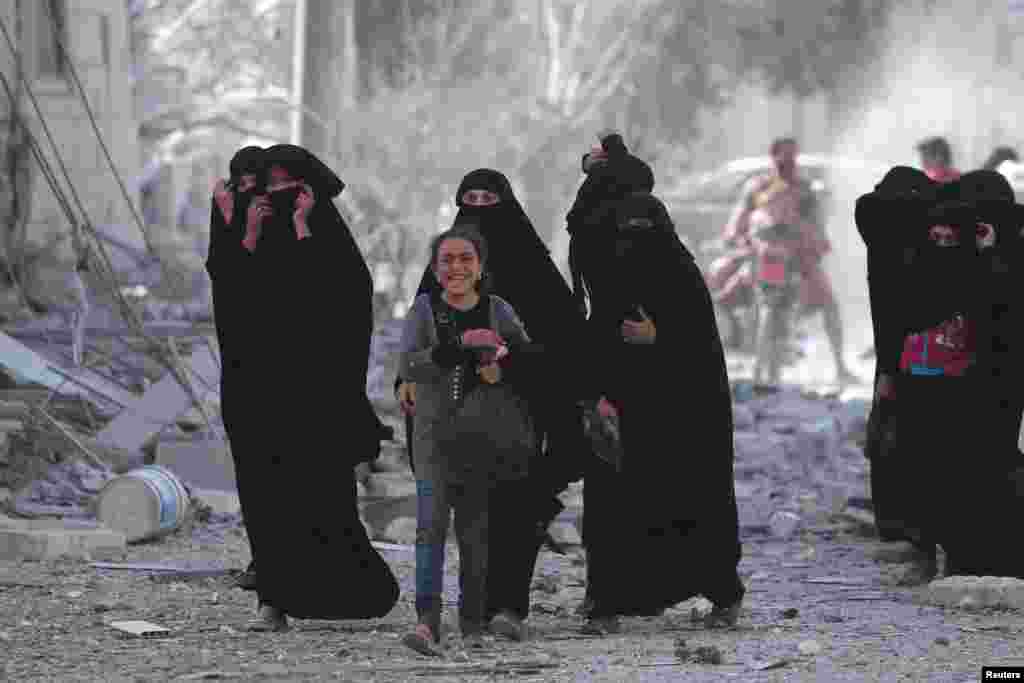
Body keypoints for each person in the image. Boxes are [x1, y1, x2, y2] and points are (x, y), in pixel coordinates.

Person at [207, 144, 399, 631]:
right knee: (265, 497)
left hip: (316, 398)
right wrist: (244, 230)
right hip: (257, 394)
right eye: (267, 187)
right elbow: (233, 301)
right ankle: (272, 601)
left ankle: (341, 591)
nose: (276, 196)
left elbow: (344, 301)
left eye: (285, 186)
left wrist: (303, 228)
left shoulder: (325, 237)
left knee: (321, 497)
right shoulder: (251, 238)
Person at [396, 169, 592, 640]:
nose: (480, 207)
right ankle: (452, 615)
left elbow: (562, 345)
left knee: (515, 509)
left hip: (517, 419)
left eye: (489, 198)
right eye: (470, 198)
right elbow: (414, 353)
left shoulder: (531, 277)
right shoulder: (433, 292)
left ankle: (507, 609)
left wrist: (513, 362)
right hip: (447, 422)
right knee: (454, 523)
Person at [573, 190, 745, 635]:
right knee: (615, 507)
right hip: (626, 417)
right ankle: (607, 603)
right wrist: (598, 394)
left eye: (644, 229)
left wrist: (660, 337)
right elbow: (597, 342)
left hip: (682, 420)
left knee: (693, 502)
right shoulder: (613, 280)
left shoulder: (683, 277)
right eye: (626, 230)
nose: (635, 240)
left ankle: (723, 596)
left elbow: (704, 354)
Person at [855, 169, 1024, 579]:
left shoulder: (992, 254)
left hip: (989, 377)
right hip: (951, 376)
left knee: (980, 462)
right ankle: (939, 546)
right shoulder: (934, 253)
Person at [398, 223, 536, 653]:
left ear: (480, 266)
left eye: (465, 259)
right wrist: (457, 346)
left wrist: (503, 367)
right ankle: (426, 621)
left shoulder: (499, 310)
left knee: (475, 533)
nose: (456, 267)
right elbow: (410, 366)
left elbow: (529, 359)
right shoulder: (423, 310)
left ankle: (472, 622)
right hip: (433, 438)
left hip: (482, 440)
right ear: (435, 268)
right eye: (447, 260)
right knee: (429, 528)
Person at [722, 137, 857, 385]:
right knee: (768, 307)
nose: (789, 163)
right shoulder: (758, 187)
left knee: (828, 302)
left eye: (793, 158)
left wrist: (818, 242)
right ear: (773, 157)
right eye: (784, 158)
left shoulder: (804, 188)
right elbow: (738, 220)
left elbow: (816, 222)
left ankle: (840, 366)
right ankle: (760, 370)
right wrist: (738, 239)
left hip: (800, 254)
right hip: (768, 255)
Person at [854, 166, 939, 543]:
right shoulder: (913, 246)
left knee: (891, 425)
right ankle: (909, 521)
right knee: (909, 429)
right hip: (914, 353)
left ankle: (893, 518)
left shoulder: (880, 236)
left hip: (893, 354)